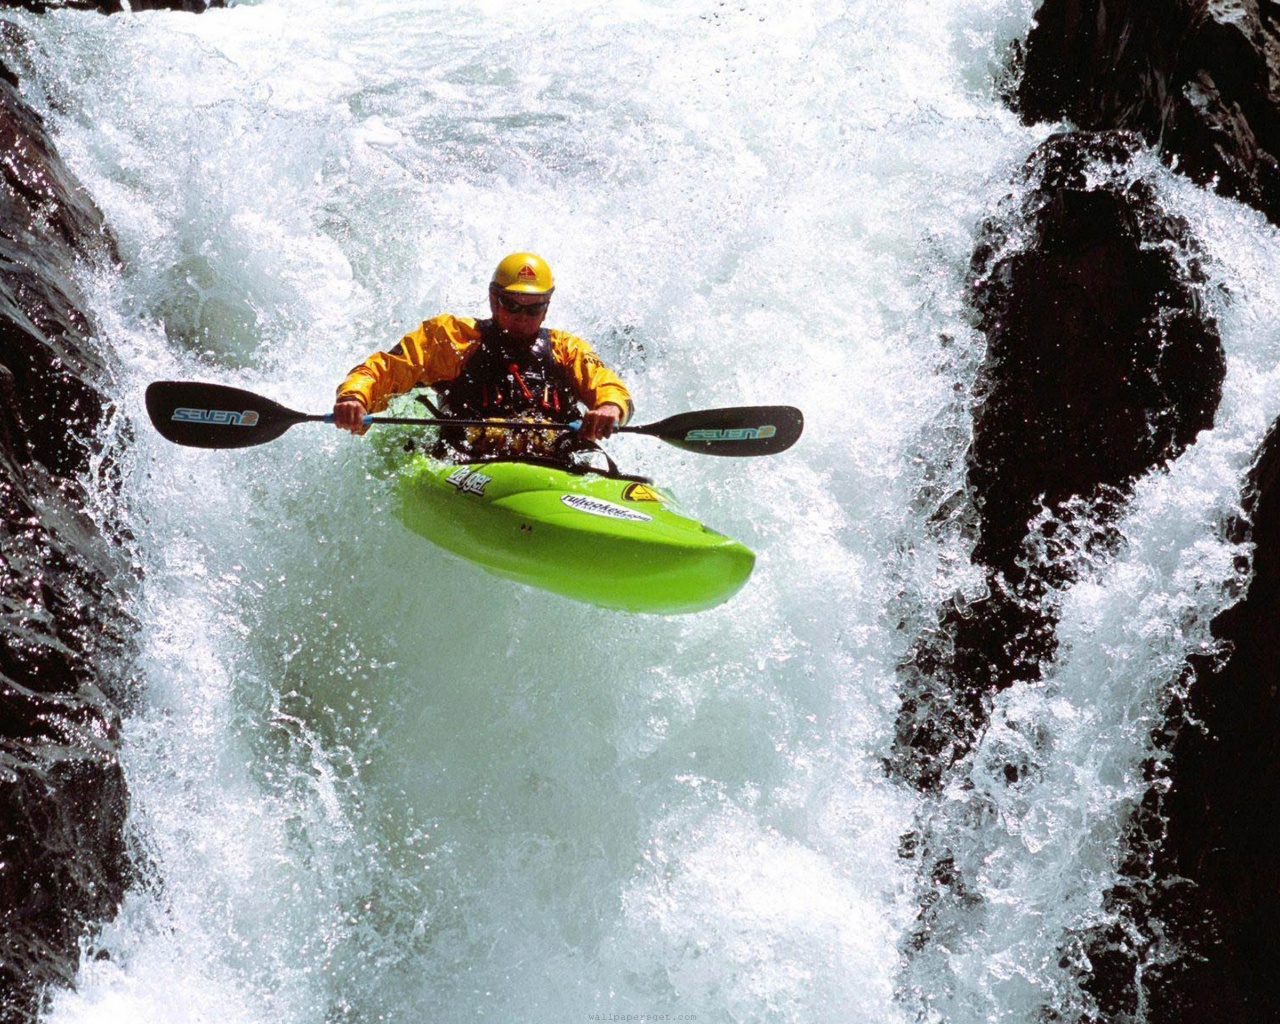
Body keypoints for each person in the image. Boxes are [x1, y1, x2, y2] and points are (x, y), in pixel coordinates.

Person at [333, 252, 632, 462]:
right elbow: (384, 370)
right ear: (493, 299)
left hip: (557, 461)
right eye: (512, 306)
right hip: (469, 460)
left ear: (547, 306)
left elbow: (608, 386)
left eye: (533, 309)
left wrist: (609, 408)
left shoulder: (566, 348)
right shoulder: (452, 339)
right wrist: (355, 398)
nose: (522, 318)